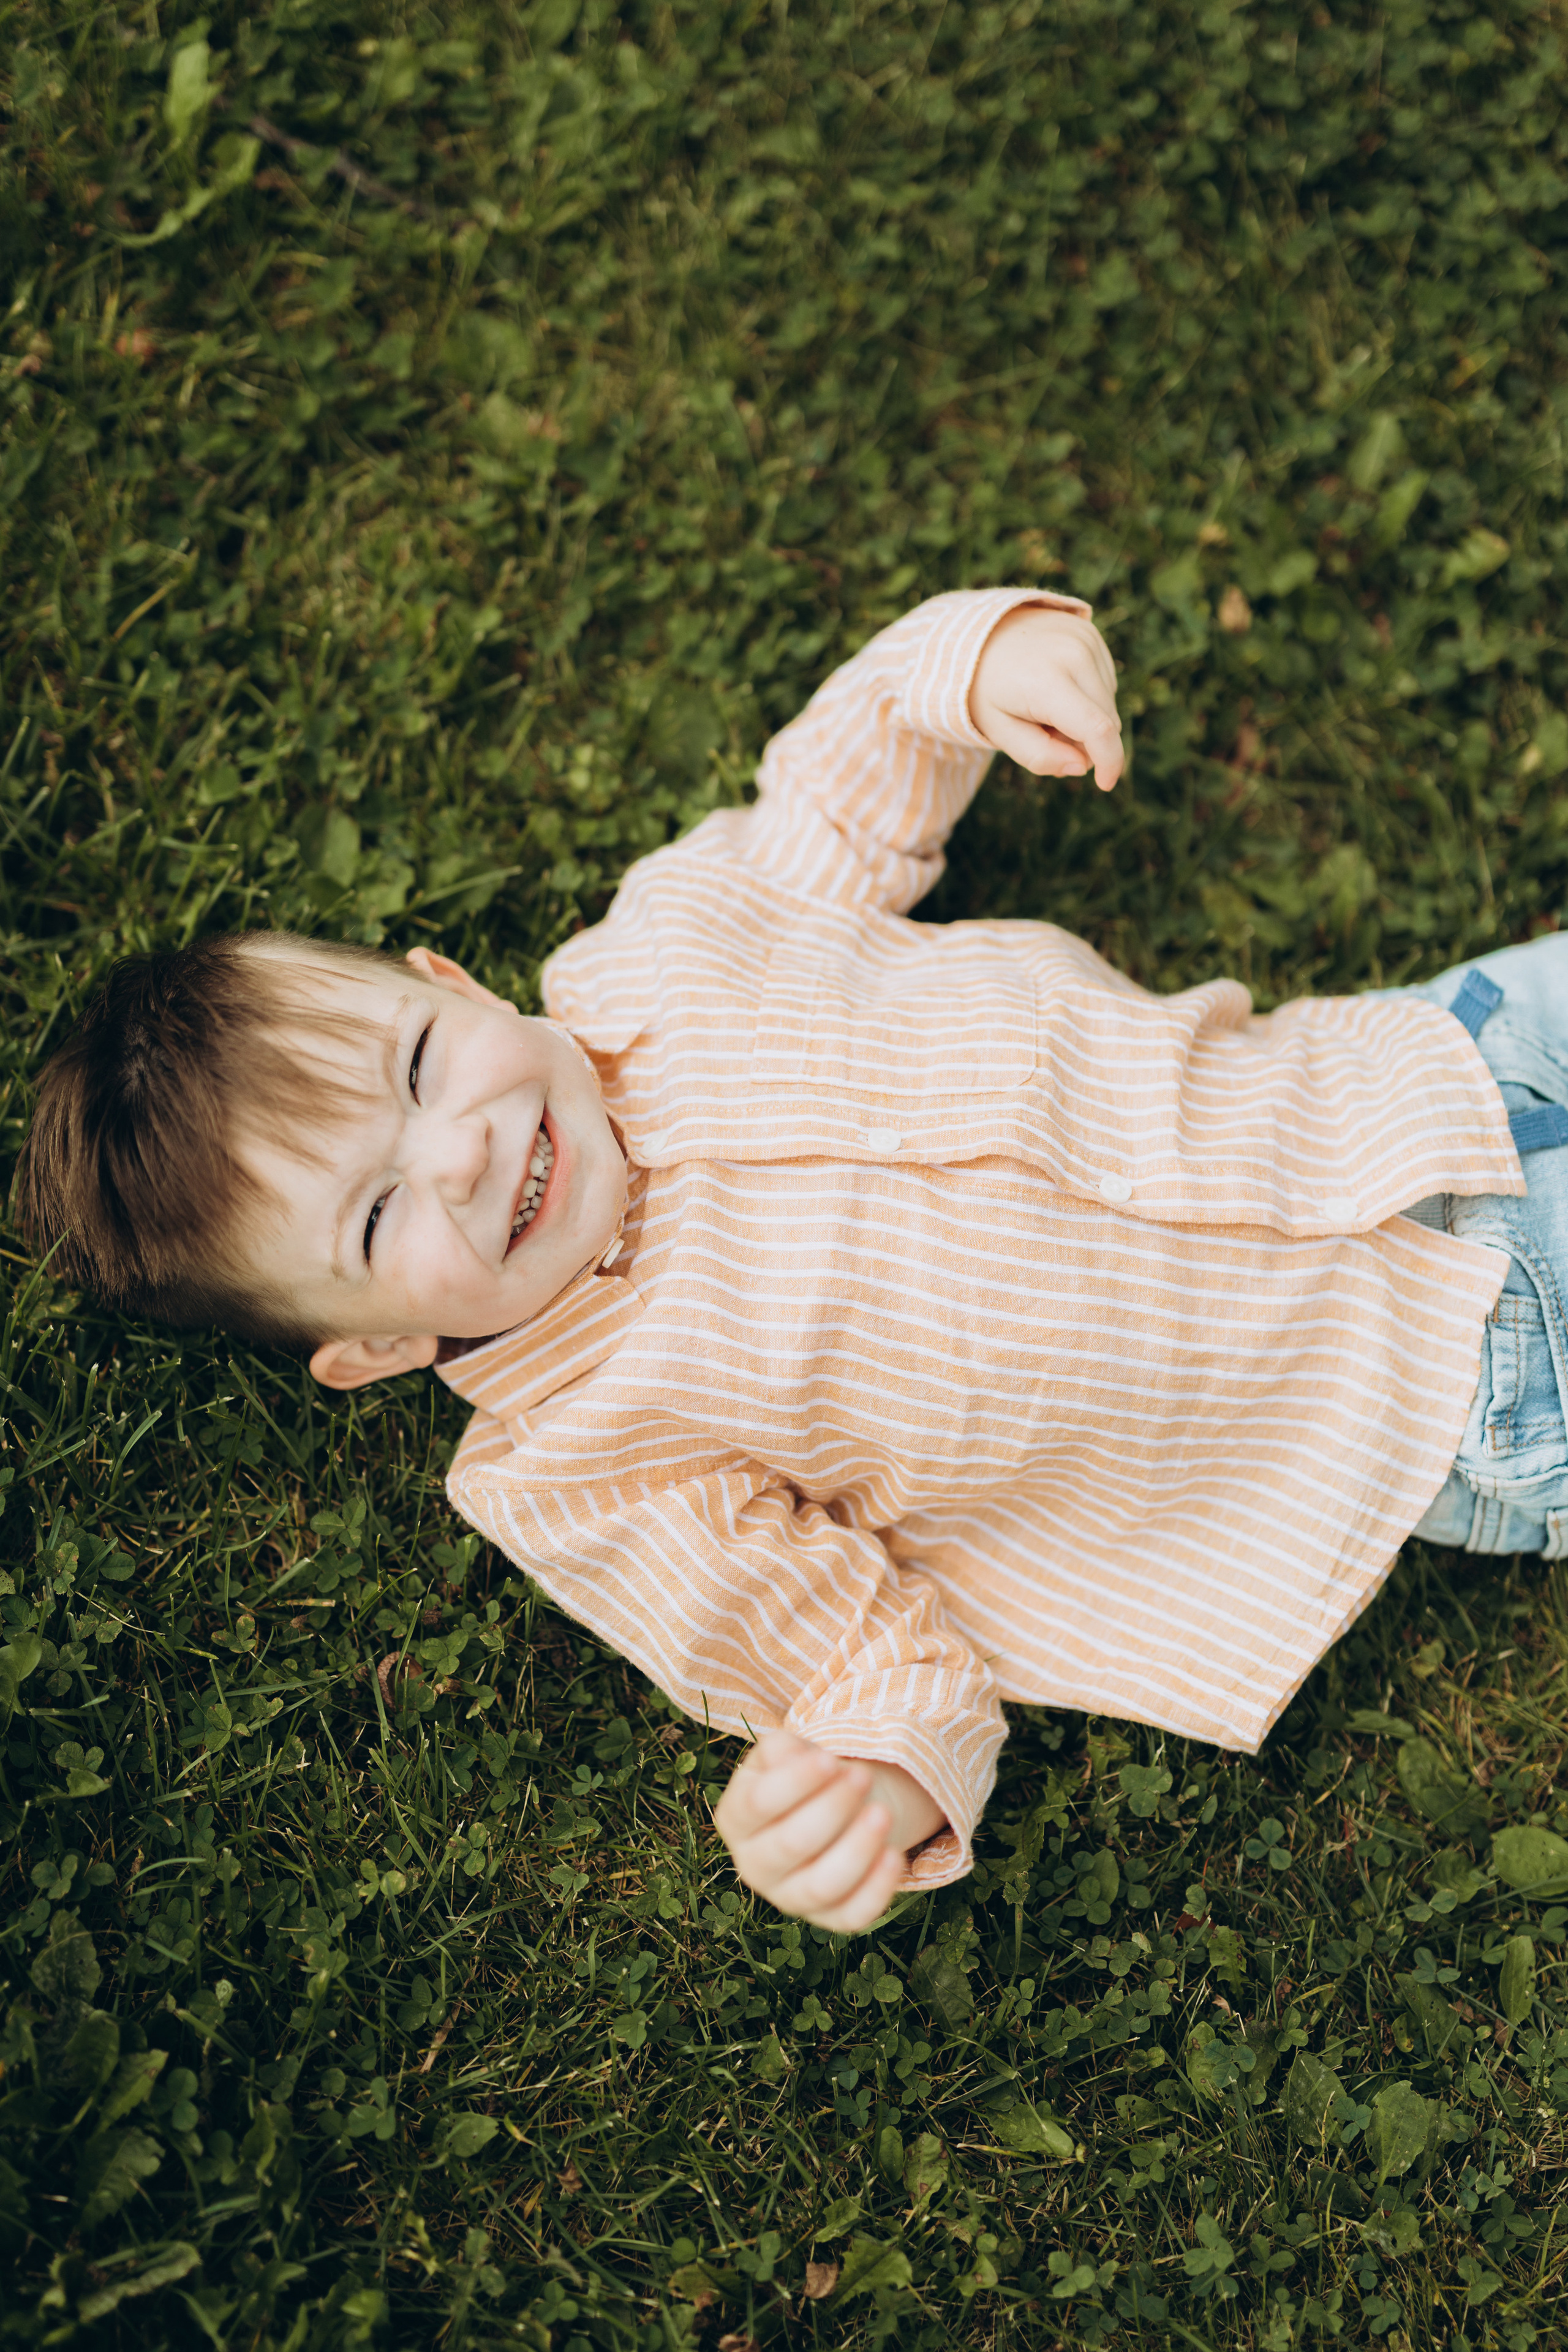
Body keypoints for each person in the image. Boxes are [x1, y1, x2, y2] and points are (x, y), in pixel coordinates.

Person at [15, 587, 1562, 1936]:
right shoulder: (584, 1464)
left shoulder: (671, 940)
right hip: (1455, 1400)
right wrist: (871, 1777)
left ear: (454, 981)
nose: (465, 1151)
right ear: (373, 1352)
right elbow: (848, 1651)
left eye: (423, 1065)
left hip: (1427, 1064)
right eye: (375, 1219)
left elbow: (841, 791)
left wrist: (970, 662)